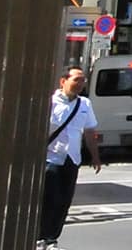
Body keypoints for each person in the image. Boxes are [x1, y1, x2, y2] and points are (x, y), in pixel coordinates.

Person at [41, 64, 102, 248]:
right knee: (50, 199)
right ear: (63, 81)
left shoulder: (85, 104)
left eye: (83, 80)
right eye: (76, 80)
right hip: (51, 158)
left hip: (72, 158)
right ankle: (42, 237)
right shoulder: (50, 102)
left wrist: (95, 156)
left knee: (64, 201)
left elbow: (89, 132)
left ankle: (52, 238)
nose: (81, 84)